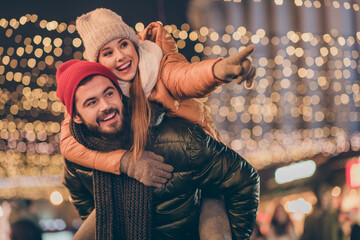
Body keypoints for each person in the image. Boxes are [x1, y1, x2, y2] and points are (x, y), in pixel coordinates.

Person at [56, 59, 260, 239]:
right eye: (91, 102)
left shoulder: (181, 139)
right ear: (76, 117)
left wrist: (235, 236)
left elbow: (244, 180)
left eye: (109, 93)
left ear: (119, 94)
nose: (105, 106)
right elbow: (83, 200)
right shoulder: (77, 160)